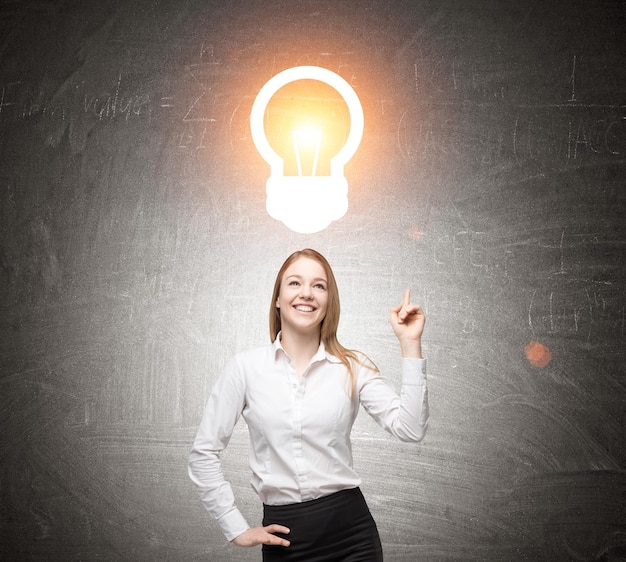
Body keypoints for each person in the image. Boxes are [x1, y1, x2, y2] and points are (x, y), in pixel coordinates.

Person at [188, 248, 429, 561]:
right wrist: (234, 527)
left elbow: (410, 429)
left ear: (329, 301)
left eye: (319, 285)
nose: (307, 293)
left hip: (353, 537)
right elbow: (203, 453)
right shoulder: (244, 368)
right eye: (294, 283)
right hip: (287, 541)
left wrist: (410, 343)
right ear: (277, 298)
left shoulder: (353, 366)